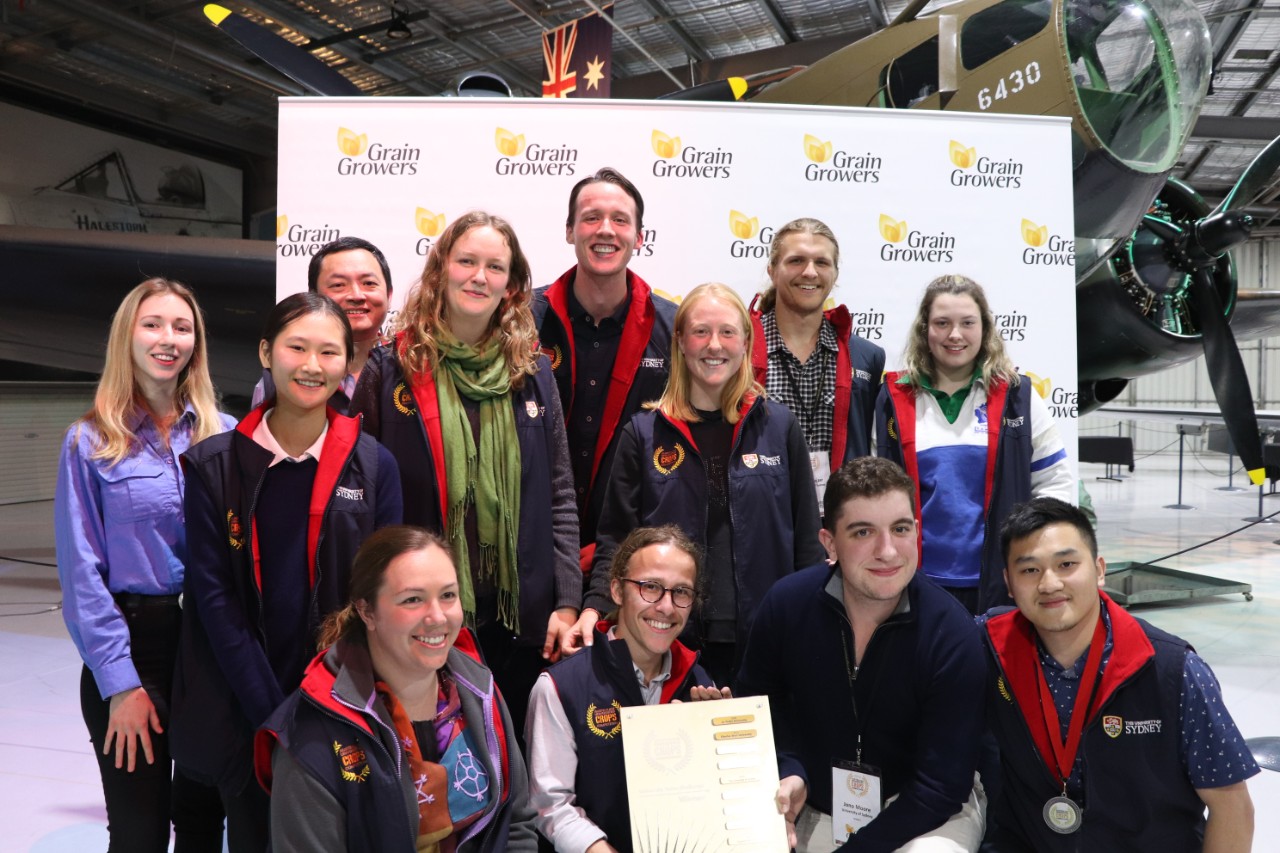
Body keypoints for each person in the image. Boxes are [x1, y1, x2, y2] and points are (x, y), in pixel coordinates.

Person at [173, 292, 403, 851]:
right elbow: (214, 599)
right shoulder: (213, 465)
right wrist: (273, 714)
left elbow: (385, 594)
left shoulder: (374, 466)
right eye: (296, 347)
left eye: (329, 352)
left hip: (339, 702)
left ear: (350, 365)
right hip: (242, 706)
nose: (310, 365)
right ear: (265, 353)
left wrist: (328, 700)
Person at [350, 211, 579, 737]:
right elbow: (359, 499)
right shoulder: (392, 368)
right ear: (441, 271)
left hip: (521, 617)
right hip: (420, 620)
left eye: (494, 267)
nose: (479, 276)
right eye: (467, 262)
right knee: (435, 773)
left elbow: (561, 494)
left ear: (512, 284)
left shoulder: (534, 371)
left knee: (514, 762)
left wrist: (566, 601)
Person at [55, 278, 229, 852]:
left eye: (182, 327)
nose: (168, 338)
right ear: (127, 337)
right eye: (153, 324)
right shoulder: (89, 443)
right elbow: (82, 577)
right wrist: (121, 685)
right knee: (139, 831)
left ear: (196, 344)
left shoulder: (224, 435)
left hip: (206, 648)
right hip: (134, 649)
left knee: (204, 823)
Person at [736, 456, 987, 853]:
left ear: (917, 532)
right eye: (863, 532)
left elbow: (941, 787)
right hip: (811, 801)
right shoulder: (786, 605)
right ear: (829, 543)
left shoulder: (952, 635)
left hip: (923, 810)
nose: (887, 551)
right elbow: (759, 707)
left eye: (900, 529)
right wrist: (790, 769)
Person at [580, 283, 824, 687]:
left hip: (768, 640)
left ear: (746, 341)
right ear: (679, 341)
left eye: (728, 332)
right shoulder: (643, 434)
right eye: (700, 332)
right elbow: (615, 544)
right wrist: (595, 608)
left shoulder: (778, 427)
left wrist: (814, 623)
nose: (715, 345)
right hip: (668, 642)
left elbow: (806, 546)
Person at [982, 497, 1258, 851]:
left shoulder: (1173, 670)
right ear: (1008, 581)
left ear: (1099, 569)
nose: (1049, 584)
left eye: (1066, 564)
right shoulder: (990, 650)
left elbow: (1232, 805)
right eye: (1030, 570)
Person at [258, 525, 537, 852]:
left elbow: (517, 824)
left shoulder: (479, 690)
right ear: (367, 611)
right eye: (413, 600)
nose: (437, 617)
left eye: (448, 595)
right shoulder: (311, 733)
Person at [875, 274, 1072, 614]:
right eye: (942, 323)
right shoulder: (894, 400)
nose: (955, 334)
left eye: (967, 322)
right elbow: (875, 493)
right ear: (925, 329)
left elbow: (1055, 482)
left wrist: (1038, 555)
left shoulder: (1018, 397)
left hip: (1004, 585)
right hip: (918, 585)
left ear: (985, 329)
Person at [526, 525, 725, 852]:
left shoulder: (700, 684)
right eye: (650, 587)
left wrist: (720, 745)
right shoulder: (561, 687)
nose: (666, 607)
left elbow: (713, 805)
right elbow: (551, 806)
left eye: (682, 592)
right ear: (617, 592)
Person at [533, 167, 677, 581]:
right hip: (531, 547)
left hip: (634, 553)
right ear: (569, 230)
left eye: (620, 220)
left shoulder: (672, 330)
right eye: (591, 217)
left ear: (640, 237)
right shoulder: (522, 321)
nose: (605, 230)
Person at [749, 217, 884, 504]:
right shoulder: (742, 351)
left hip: (841, 522)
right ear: (773, 270)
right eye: (796, 260)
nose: (809, 272)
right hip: (763, 514)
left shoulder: (866, 357)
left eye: (822, 263)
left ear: (835, 274)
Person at [251, 236, 393, 411]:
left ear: (389, 294)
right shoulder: (283, 378)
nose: (356, 295)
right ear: (314, 297)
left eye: (369, 283)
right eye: (338, 285)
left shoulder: (409, 368)